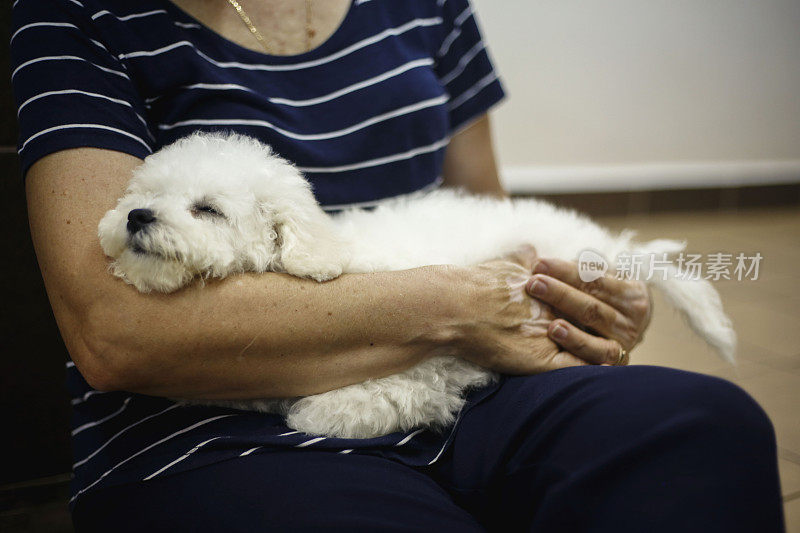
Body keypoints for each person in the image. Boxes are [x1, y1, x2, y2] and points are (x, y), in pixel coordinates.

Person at [11, 0, 784, 531]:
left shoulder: (427, 4)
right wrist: (447, 306)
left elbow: (487, 215)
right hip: (201, 422)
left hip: (465, 375)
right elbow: (115, 332)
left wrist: (581, 306)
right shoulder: (76, 12)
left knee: (705, 427)